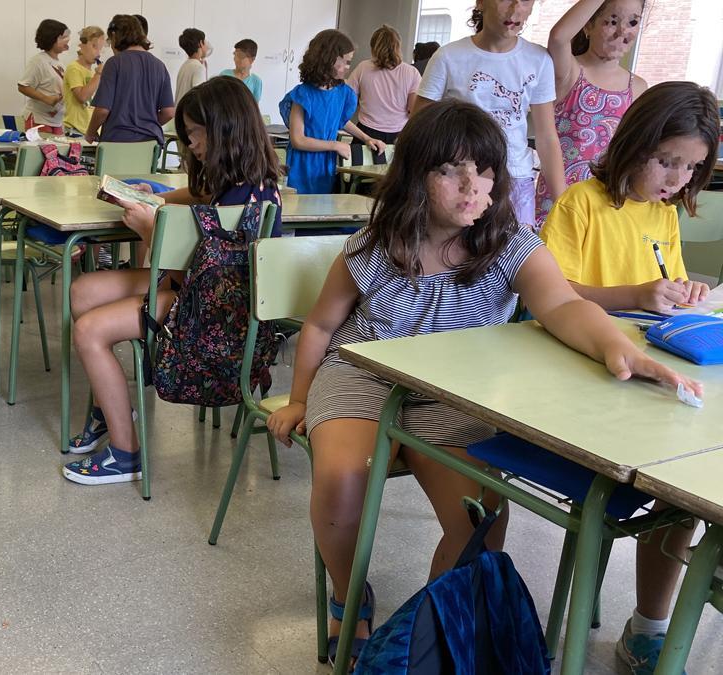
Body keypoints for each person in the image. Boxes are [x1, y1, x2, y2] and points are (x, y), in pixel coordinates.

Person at [263, 99, 700, 667]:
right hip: (362, 374)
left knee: (480, 519)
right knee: (342, 481)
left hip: (455, 392)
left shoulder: (508, 245)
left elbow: (564, 305)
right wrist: (299, 399)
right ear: (414, 176)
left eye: (485, 170)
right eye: (450, 170)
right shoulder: (373, 246)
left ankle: (435, 622)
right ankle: (350, 596)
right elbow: (322, 324)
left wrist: (617, 347)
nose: (472, 185)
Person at [541, 83, 717, 674]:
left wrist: (683, 292)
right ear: (634, 141)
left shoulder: (664, 212)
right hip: (581, 373)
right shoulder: (581, 204)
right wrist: (635, 294)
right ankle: (652, 621)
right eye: (667, 160)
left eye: (690, 168)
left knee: (688, 470)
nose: (675, 178)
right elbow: (553, 295)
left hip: (645, 368)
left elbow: (665, 287)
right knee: (674, 482)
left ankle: (649, 625)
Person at [63, 76, 283, 483]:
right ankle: (107, 406)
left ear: (224, 131)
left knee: (89, 331)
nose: (193, 145)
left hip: (213, 312)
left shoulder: (242, 200)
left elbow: (205, 277)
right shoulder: (244, 185)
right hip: (200, 294)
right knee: (83, 290)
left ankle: (125, 452)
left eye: (196, 135)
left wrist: (151, 233)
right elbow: (200, 197)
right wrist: (158, 196)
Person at [414, 0, 563, 232]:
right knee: (460, 256)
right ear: (481, 2)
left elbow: (547, 137)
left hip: (515, 178)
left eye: (525, 0)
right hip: (462, 180)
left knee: (515, 258)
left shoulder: (539, 60)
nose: (515, 9)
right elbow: (418, 129)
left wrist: (564, 203)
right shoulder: (448, 57)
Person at [535, 0, 647, 226]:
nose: (622, 31)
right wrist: (564, 201)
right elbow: (558, 37)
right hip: (558, 197)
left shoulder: (637, 87)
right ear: (587, 25)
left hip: (604, 205)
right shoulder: (570, 71)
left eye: (633, 22)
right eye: (611, 21)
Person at [279, 29, 386, 194]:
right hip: (302, 164)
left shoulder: (342, 92)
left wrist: (366, 138)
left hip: (324, 164)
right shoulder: (303, 94)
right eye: (346, 62)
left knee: (321, 207)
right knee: (299, 207)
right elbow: (298, 140)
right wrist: (335, 145)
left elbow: (340, 121)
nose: (348, 67)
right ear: (328, 59)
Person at [85, 15, 174, 145]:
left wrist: (90, 133)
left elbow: (103, 110)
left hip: (117, 141)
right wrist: (146, 126)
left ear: (115, 36)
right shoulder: (159, 66)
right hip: (150, 143)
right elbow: (169, 112)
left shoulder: (114, 63)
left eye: (110, 41)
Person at [345, 24, 421, 147]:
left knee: (360, 167)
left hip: (366, 132)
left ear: (373, 47)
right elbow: (412, 109)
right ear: (398, 47)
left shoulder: (363, 67)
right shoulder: (411, 72)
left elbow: (347, 99)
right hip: (399, 134)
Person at [19, 19, 70, 134]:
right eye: (62, 38)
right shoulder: (38, 61)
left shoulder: (60, 64)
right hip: (39, 119)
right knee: (43, 151)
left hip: (57, 121)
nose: (66, 41)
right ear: (52, 39)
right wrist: (46, 98)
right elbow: (23, 86)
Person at [63, 26, 105, 135]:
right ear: (82, 46)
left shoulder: (92, 72)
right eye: (94, 47)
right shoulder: (74, 68)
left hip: (89, 130)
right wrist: (99, 74)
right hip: (76, 130)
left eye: (101, 49)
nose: (98, 53)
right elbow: (82, 97)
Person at [175, 28, 208, 103]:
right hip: (189, 113)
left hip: (179, 111)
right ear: (200, 43)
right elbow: (200, 97)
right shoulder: (198, 67)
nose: (206, 46)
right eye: (205, 42)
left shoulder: (186, 65)